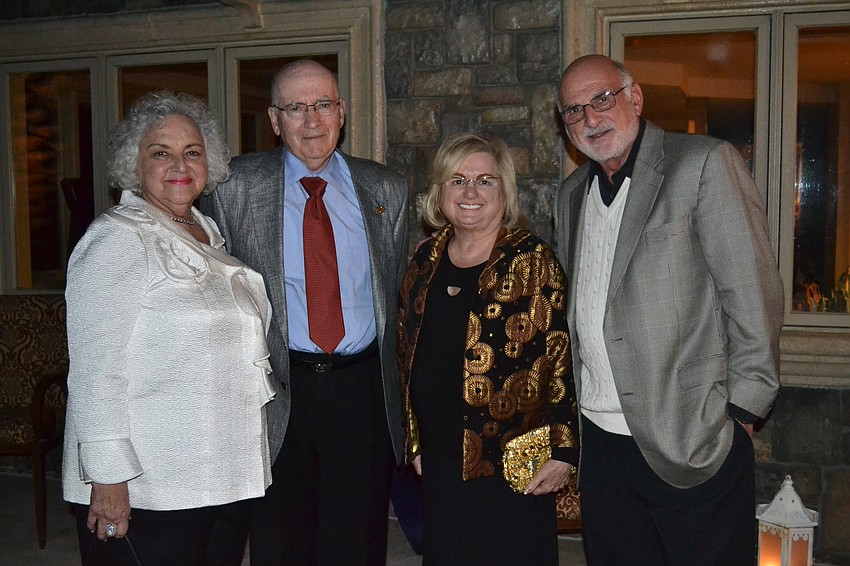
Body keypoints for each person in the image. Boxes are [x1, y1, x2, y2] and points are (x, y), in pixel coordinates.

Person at [554, 54, 784, 565]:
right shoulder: (570, 195)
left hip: (692, 435)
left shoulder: (702, 164)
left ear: (634, 98)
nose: (591, 119)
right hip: (601, 443)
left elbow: (754, 292)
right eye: (573, 111)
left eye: (602, 99)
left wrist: (741, 411)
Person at [200, 59, 409, 566]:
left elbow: (398, 290)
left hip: (362, 392)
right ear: (275, 120)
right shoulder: (234, 188)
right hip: (277, 389)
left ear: (341, 112)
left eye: (322, 105)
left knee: (357, 541)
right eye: (296, 108)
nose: (311, 121)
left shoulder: (386, 190)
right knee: (281, 538)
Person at [62, 91, 275, 566]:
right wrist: (108, 478)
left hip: (219, 478)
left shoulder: (206, 233)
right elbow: (96, 373)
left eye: (192, 152)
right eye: (161, 152)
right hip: (152, 487)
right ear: (134, 165)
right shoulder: (117, 239)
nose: (179, 164)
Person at [397, 133, 579, 566]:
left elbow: (561, 359)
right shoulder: (424, 262)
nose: (471, 192)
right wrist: (415, 440)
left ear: (504, 191)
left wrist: (563, 450)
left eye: (485, 180)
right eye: (457, 180)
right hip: (441, 456)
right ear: (440, 192)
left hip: (516, 460)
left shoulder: (532, 260)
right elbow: (406, 356)